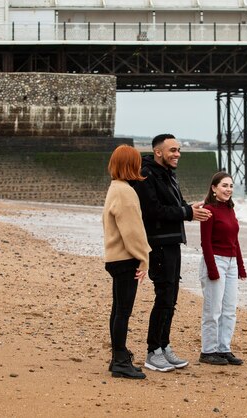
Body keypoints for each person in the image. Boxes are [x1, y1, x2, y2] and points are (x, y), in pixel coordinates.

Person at [133, 133, 212, 372]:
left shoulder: (169, 174)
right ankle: (152, 351)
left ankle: (164, 346)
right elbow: (153, 211)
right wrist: (186, 212)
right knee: (164, 296)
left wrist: (191, 208)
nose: (177, 154)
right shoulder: (146, 175)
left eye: (178, 150)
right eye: (173, 150)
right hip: (157, 243)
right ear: (158, 152)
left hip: (172, 243)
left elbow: (176, 205)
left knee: (171, 298)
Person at [102, 144, 151, 379]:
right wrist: (144, 259)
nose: (140, 165)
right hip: (125, 258)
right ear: (131, 165)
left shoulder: (114, 187)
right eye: (137, 161)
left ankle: (117, 358)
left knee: (117, 309)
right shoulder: (126, 192)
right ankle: (120, 360)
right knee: (123, 311)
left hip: (114, 258)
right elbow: (133, 231)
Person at [198, 172, 247, 366]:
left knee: (229, 309)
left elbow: (235, 241)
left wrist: (241, 267)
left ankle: (223, 348)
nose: (228, 189)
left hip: (231, 262)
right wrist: (212, 269)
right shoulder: (208, 210)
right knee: (213, 309)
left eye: (231, 186)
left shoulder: (230, 210)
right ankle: (208, 351)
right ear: (214, 188)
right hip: (215, 260)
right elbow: (205, 243)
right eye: (224, 186)